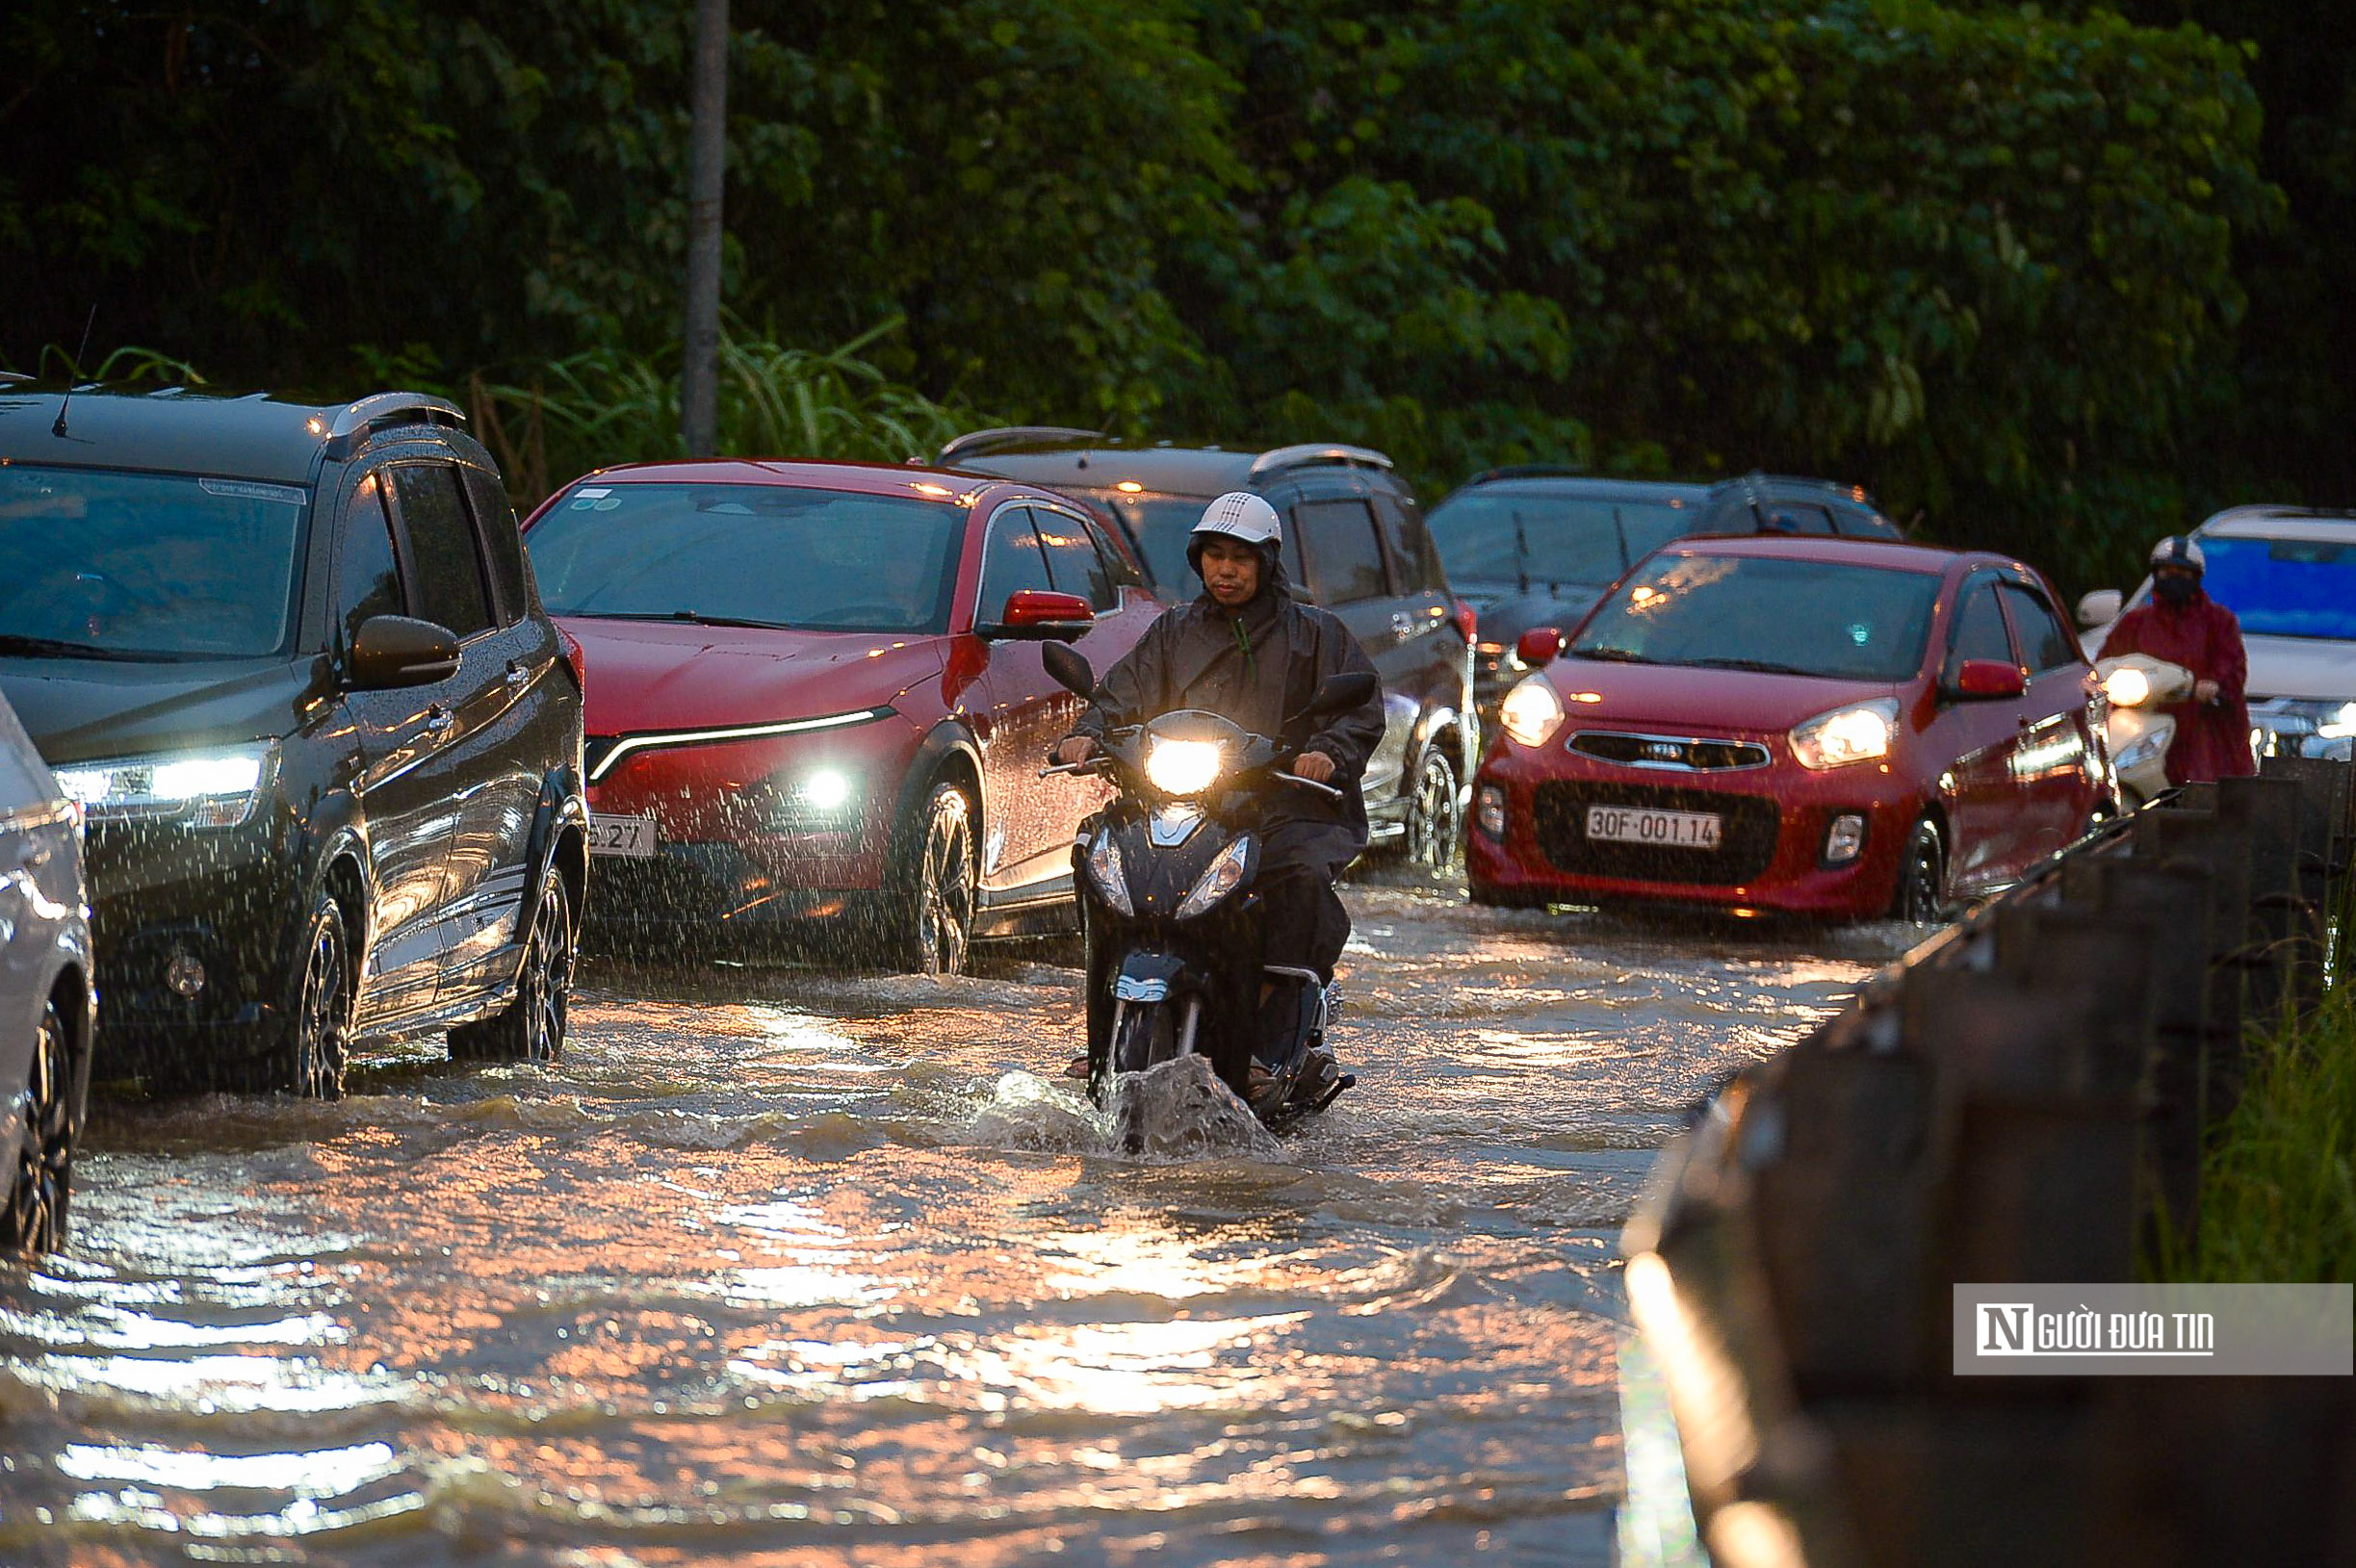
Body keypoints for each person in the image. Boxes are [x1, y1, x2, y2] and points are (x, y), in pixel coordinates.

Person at [1053, 491, 1386, 1085]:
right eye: (1213, 555)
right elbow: (1119, 694)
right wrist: (1088, 735)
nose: (1224, 570)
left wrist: (1325, 754)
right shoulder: (1174, 631)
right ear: (1196, 559)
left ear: (1267, 562)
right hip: (1182, 803)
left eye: (1239, 557)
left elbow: (1358, 709)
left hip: (1280, 807)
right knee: (1098, 851)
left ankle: (1275, 1034)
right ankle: (1104, 1024)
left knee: (1300, 876)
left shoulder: (1315, 634)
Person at [2097, 534, 2255, 785]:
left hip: (2202, 727)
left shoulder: (2219, 622)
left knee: (2208, 790)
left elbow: (2231, 667)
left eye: (2182, 572)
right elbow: (2106, 662)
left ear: (2196, 577)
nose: (2174, 578)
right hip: (2144, 726)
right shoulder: (2134, 623)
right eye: (2167, 571)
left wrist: (2213, 685)